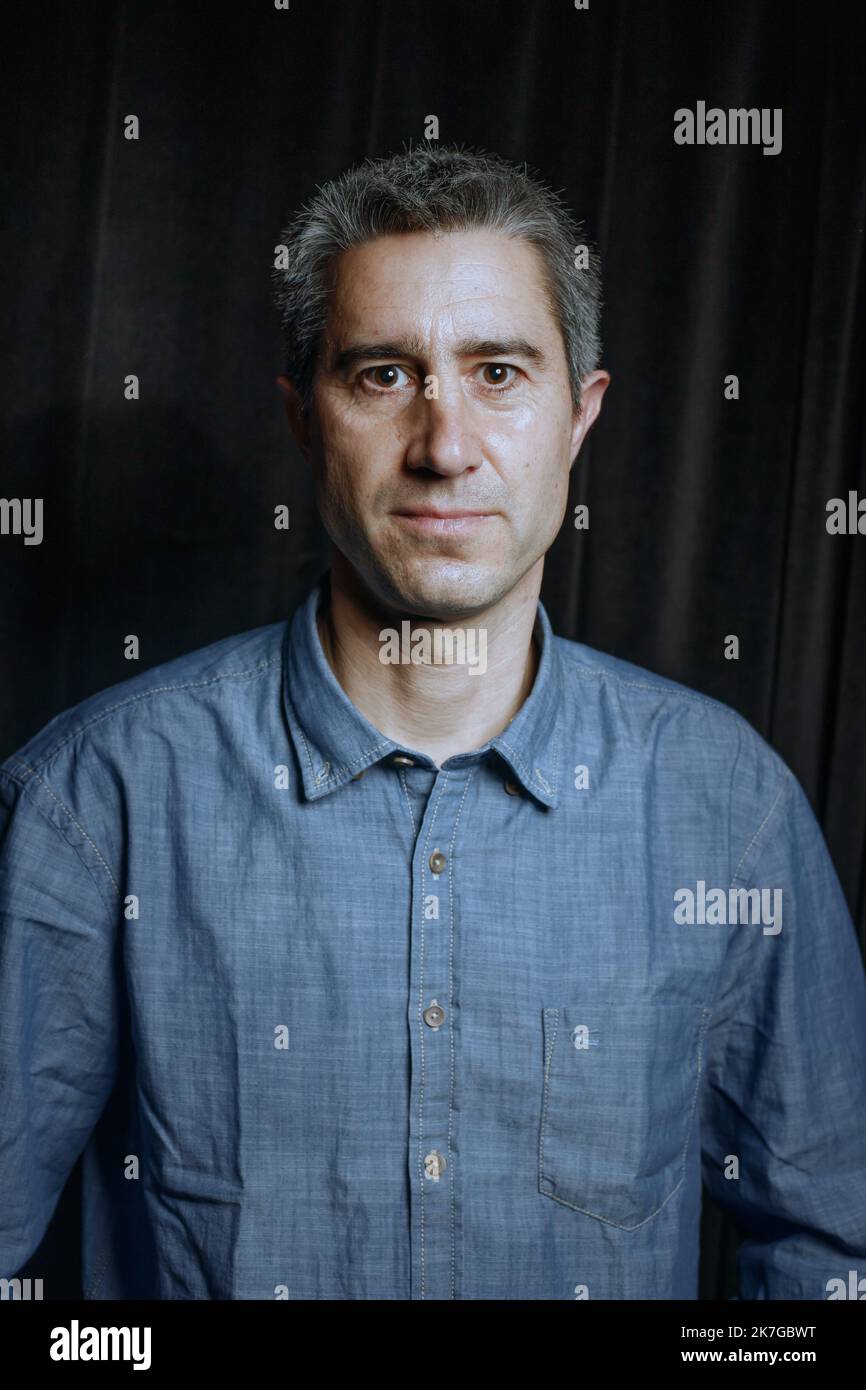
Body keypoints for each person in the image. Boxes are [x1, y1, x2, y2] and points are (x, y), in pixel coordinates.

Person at [1, 144, 864, 1301]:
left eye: (498, 372)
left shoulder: (728, 811)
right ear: (305, 419)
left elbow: (829, 1251)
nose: (444, 444)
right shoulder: (92, 802)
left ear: (579, 415)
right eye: (380, 376)